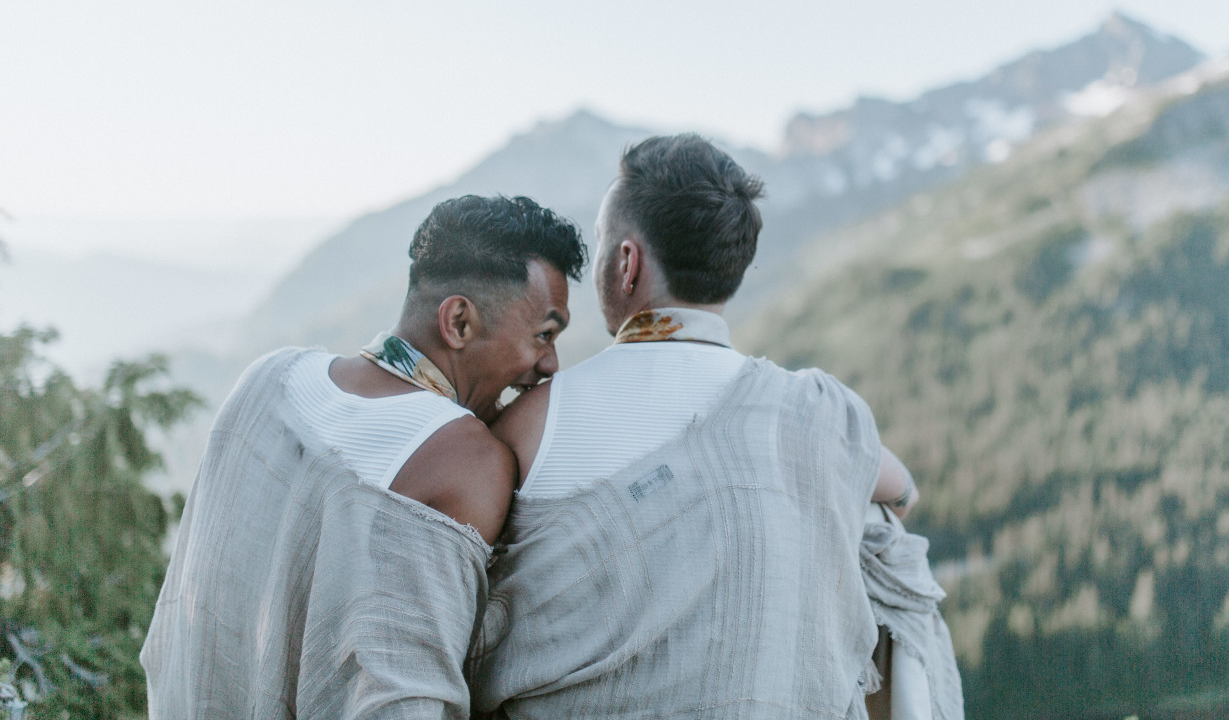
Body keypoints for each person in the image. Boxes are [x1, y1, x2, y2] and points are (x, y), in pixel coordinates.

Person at [474, 135, 950, 719]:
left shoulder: (530, 424)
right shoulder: (821, 413)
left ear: (626, 264)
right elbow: (901, 495)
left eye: (601, 243)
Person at [141, 195, 586, 719]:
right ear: (459, 322)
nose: (551, 364)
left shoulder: (269, 378)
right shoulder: (465, 459)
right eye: (544, 335)